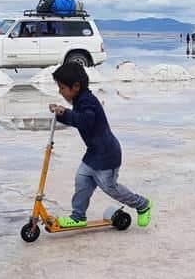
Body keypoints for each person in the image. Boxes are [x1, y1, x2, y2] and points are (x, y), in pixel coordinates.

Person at [48, 63, 152, 228]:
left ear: (76, 86)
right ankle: (78, 216)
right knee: (81, 180)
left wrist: (65, 113)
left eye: (62, 88)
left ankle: (142, 204)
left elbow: (85, 121)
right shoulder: (79, 100)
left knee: (111, 188)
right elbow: (77, 118)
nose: (60, 91)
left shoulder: (88, 101)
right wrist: (60, 114)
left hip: (107, 155)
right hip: (93, 153)